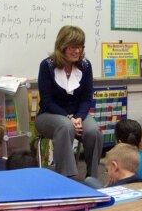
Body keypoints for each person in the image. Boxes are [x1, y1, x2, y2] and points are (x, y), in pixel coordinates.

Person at [35, 25, 103, 178]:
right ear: (62, 46)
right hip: (49, 115)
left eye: (80, 47)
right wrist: (69, 118)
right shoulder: (47, 66)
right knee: (66, 127)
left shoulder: (85, 66)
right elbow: (46, 101)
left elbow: (86, 98)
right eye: (73, 47)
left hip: (77, 115)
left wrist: (78, 117)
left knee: (94, 132)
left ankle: (93, 178)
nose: (77, 51)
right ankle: (67, 178)